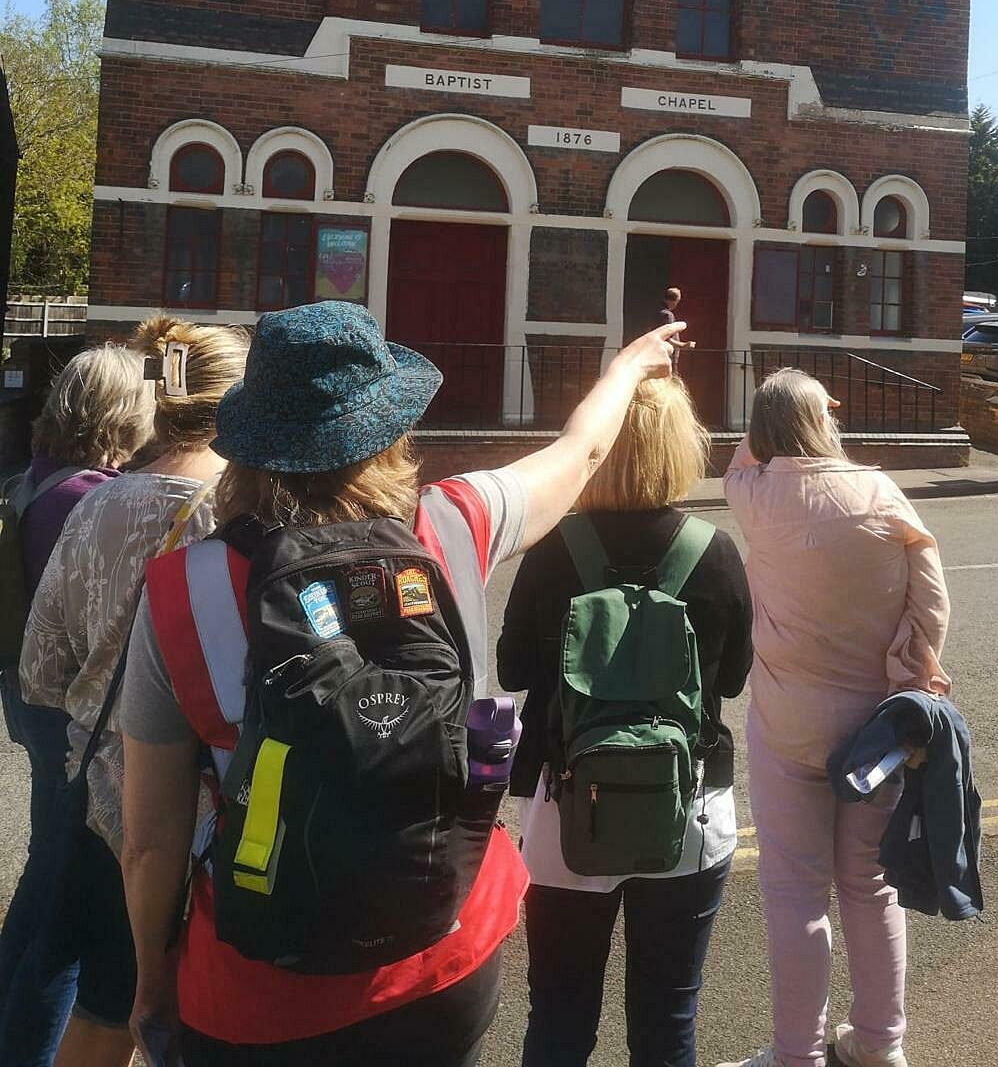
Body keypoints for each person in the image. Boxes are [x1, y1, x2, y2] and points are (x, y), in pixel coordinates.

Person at [118, 299, 684, 1067]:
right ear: (391, 433)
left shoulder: (183, 592)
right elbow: (582, 452)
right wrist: (629, 365)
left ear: (252, 444)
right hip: (446, 954)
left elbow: (150, 845)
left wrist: (153, 982)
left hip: (261, 988)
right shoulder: (456, 523)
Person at [497, 375, 752, 1067]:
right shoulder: (713, 550)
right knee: (668, 1012)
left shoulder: (556, 547)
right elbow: (731, 679)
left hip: (567, 801)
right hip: (688, 807)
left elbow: (513, 668)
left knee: (558, 1008)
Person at [20, 316, 249, 1067]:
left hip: (99, 803)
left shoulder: (94, 505)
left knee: (104, 1011)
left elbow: (41, 671)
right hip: (205, 815)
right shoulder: (244, 518)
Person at [716, 369, 950, 1067]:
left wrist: (773, 413)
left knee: (794, 890)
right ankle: (880, 1043)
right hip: (878, 724)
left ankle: (798, 1056)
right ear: (827, 418)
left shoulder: (752, 497)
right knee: (871, 884)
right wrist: (916, 666)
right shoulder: (880, 495)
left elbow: (741, 456)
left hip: (788, 722)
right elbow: (931, 598)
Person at [0, 346, 156, 1067]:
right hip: (71, 715)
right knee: (62, 914)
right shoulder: (93, 499)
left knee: (42, 882)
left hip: (30, 698)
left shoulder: (38, 481)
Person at [658, 287, 695, 374]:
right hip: (668, 355)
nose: (676, 305)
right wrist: (683, 345)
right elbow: (667, 338)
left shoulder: (658, 312)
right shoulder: (667, 315)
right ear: (673, 301)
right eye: (677, 301)